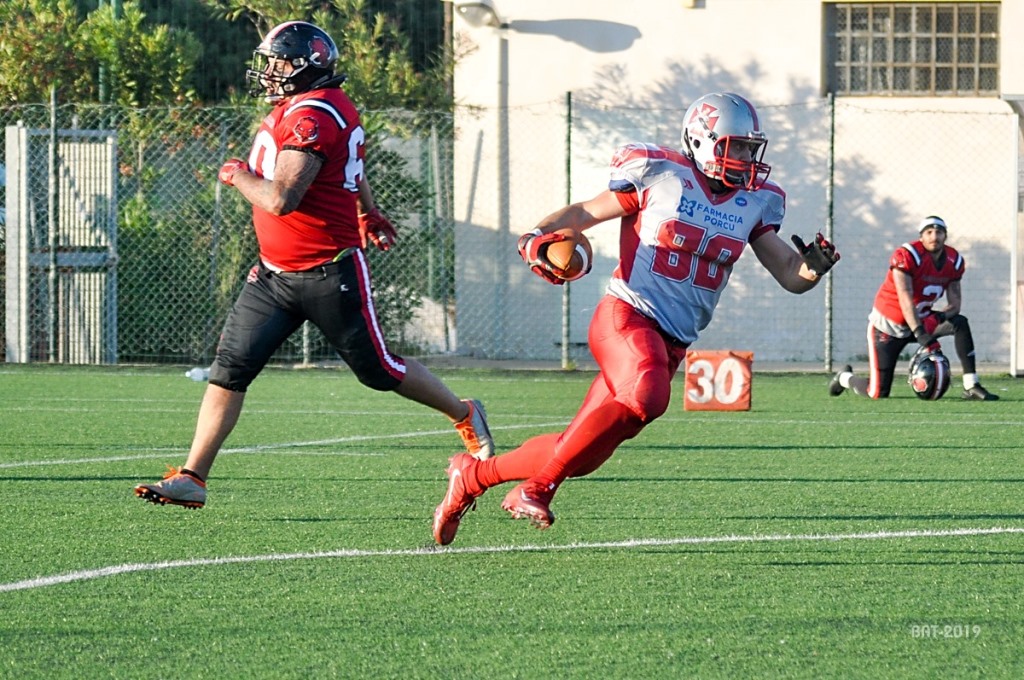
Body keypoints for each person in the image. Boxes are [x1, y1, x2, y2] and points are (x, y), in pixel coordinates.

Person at [431, 92, 841, 545]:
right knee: (649, 395)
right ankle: (537, 488)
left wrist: (813, 266)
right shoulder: (660, 174)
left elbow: (789, 275)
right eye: (736, 145)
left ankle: (472, 476)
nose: (745, 157)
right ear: (701, 141)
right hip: (627, 315)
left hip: (673, 342)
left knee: (582, 453)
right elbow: (586, 211)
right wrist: (537, 234)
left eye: (749, 147)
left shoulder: (756, 201)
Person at [135, 21, 492, 509]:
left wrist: (235, 174)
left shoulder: (313, 115)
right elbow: (348, 169)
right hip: (272, 276)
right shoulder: (304, 105)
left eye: (280, 62)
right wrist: (367, 210)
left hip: (329, 271)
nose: (271, 70)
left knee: (379, 371)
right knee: (229, 370)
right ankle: (193, 477)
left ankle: (464, 412)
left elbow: (281, 198)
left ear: (308, 65)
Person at [829, 215, 999, 401]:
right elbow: (905, 298)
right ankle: (844, 378)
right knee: (877, 392)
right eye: (929, 232)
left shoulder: (953, 261)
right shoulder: (908, 255)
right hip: (888, 327)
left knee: (959, 323)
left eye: (939, 232)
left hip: (921, 320)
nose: (934, 236)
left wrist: (938, 318)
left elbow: (955, 305)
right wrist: (920, 332)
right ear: (921, 236)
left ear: (945, 236)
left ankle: (971, 385)